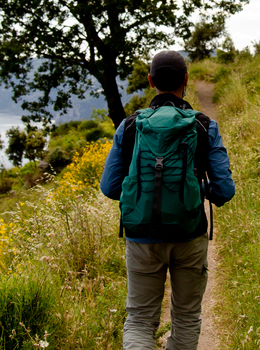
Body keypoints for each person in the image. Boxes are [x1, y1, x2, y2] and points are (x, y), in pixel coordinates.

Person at [100, 50, 235, 350]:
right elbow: (225, 191)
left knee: (138, 320)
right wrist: (199, 189)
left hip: (140, 237)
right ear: (186, 80)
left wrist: (140, 192)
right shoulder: (203, 126)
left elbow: (109, 187)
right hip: (188, 234)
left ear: (150, 82)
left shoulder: (130, 126)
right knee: (186, 317)